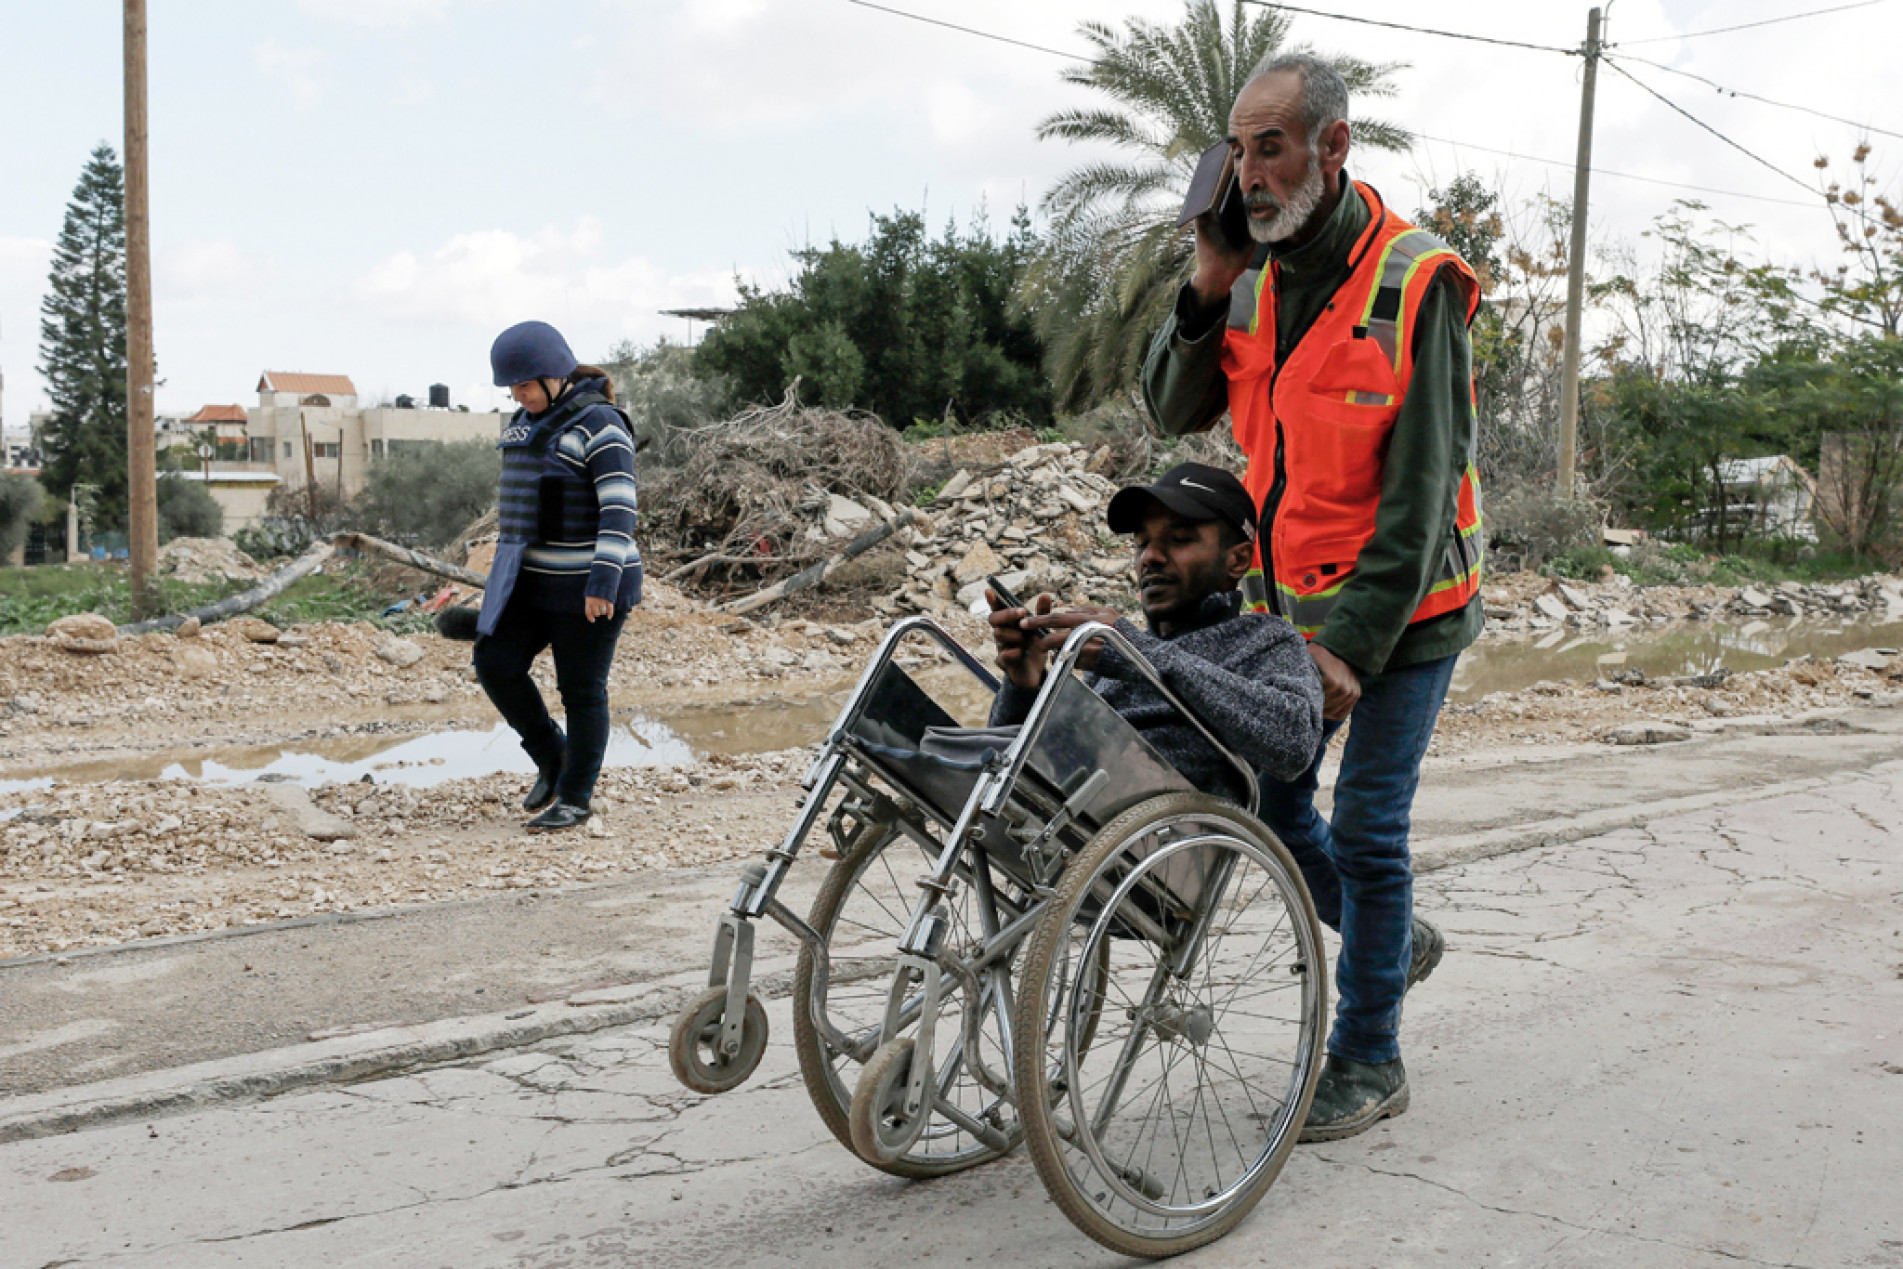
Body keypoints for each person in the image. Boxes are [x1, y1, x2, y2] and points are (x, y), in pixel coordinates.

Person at [1141, 53, 1482, 1141]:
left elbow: (1422, 489)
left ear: (1333, 147)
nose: (1248, 173)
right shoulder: (1249, 276)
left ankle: (1369, 1055)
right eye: (1237, 150)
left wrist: (1355, 650)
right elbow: (1170, 409)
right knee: (1283, 813)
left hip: (1407, 605)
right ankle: (1391, 939)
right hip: (1290, 605)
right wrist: (1204, 275)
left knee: (1369, 832)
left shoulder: (1415, 280)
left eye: (1270, 147)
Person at [986, 462, 1323, 802]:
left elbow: (1294, 745)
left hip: (1163, 832)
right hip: (1073, 824)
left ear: (1237, 561)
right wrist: (1025, 686)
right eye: (1141, 543)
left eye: (1178, 540)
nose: (1150, 557)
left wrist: (1139, 655)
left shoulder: (1266, 640)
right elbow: (1043, 766)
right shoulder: (1119, 648)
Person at [472, 320, 643, 832]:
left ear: (555, 376)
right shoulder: (527, 425)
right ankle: (552, 755)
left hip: (591, 585)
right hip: (533, 582)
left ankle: (575, 797)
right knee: (494, 661)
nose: (518, 396)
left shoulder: (602, 426)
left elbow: (619, 511)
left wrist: (602, 584)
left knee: (582, 690)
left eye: (525, 385)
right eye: (512, 388)